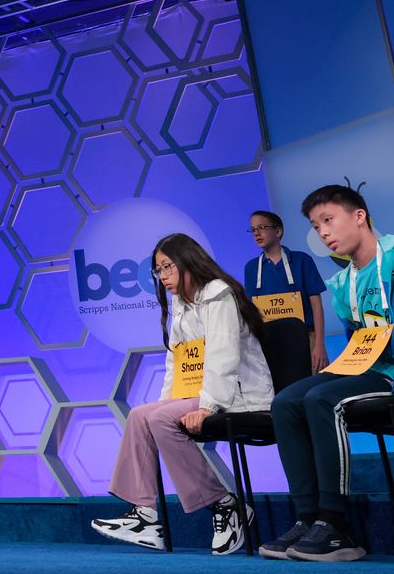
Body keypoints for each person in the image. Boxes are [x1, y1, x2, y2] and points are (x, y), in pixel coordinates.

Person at [260, 184, 394, 562]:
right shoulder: (342, 282)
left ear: (359, 216)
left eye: (328, 220)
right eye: (316, 225)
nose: (323, 232)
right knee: (286, 401)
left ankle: (335, 524)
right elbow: (358, 341)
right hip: (369, 368)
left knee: (322, 399)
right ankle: (308, 517)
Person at [91, 234, 274, 554]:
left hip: (239, 394)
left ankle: (225, 505)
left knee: (160, 419)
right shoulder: (180, 303)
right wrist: (167, 402)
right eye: (158, 270)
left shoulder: (219, 294)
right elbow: (177, 360)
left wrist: (208, 406)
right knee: (141, 415)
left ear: (189, 261)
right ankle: (143, 515)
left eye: (167, 267)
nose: (163, 277)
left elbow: (223, 356)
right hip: (202, 392)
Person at [243, 209, 329, 371]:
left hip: (307, 337)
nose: (256, 233)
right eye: (253, 230)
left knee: (316, 382)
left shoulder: (302, 260)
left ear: (278, 231)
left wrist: (319, 344)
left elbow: (317, 305)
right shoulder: (251, 268)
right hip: (271, 342)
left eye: (262, 227)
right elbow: (251, 309)